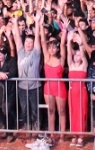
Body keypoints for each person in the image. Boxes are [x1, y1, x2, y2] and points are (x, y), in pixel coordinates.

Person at [11, 14, 42, 133]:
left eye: (31, 42)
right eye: (27, 41)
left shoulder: (36, 53)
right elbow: (17, 38)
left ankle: (36, 130)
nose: (29, 44)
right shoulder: (20, 51)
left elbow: (38, 38)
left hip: (35, 87)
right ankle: (28, 130)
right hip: (22, 87)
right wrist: (15, 23)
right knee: (25, 110)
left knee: (35, 109)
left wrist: (37, 22)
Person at [40, 14, 67, 142]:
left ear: (57, 49)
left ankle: (62, 135)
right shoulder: (46, 57)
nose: (51, 49)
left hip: (60, 88)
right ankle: (52, 134)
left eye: (53, 47)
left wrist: (65, 30)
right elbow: (42, 42)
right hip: (48, 87)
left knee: (61, 112)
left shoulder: (61, 59)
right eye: (50, 47)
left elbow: (63, 45)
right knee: (51, 111)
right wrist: (40, 24)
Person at [67, 30, 89, 147]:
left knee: (82, 113)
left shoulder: (84, 65)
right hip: (71, 93)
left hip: (82, 93)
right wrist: (68, 41)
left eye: (79, 55)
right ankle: (74, 135)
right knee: (73, 113)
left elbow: (84, 56)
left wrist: (80, 45)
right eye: (76, 55)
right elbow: (68, 53)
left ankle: (81, 136)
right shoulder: (70, 65)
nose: (77, 57)